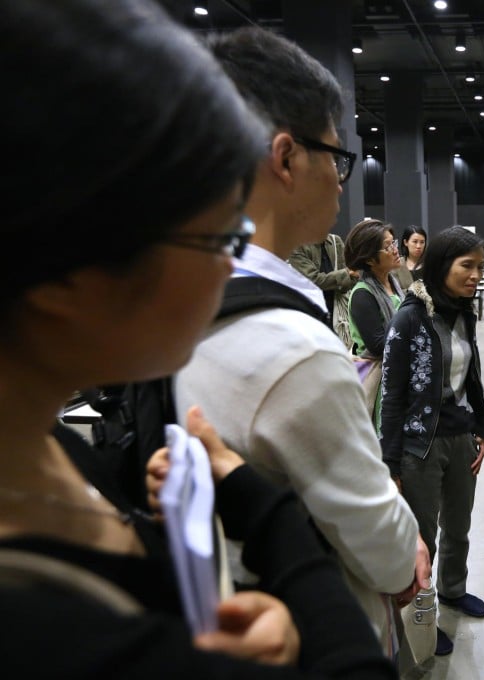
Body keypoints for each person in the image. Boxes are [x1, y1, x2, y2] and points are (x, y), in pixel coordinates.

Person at [0, 1, 394, 676]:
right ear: (71, 270)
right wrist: (279, 542)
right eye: (215, 239)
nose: (229, 267)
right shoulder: (48, 638)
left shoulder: (49, 445)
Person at [173, 28, 427, 658]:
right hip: (318, 636)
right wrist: (407, 544)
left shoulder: (166, 301)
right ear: (285, 158)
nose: (342, 181)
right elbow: (387, 553)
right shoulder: (294, 350)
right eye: (336, 159)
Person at [379, 227, 484, 657]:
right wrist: (390, 466)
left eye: (480, 267)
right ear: (443, 263)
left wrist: (483, 426)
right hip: (419, 446)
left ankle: (453, 590)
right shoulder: (409, 317)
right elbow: (392, 395)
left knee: (459, 527)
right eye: (467, 266)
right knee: (420, 538)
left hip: (460, 436)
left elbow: (472, 376)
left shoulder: (465, 312)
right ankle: (420, 624)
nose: (476, 275)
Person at [346, 218, 405, 361]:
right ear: (369, 259)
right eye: (388, 247)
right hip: (380, 376)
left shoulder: (393, 282)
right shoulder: (363, 294)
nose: (396, 251)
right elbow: (378, 346)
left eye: (394, 243)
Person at [290, 233, 359, 348]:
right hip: (312, 312)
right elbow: (313, 280)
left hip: (337, 308)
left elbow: (351, 277)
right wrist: (345, 275)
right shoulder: (298, 246)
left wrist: (349, 276)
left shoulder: (335, 241)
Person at [395, 225, 427, 290]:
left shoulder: (431, 263)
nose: (418, 246)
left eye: (422, 242)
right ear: (406, 242)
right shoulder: (397, 265)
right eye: (415, 242)